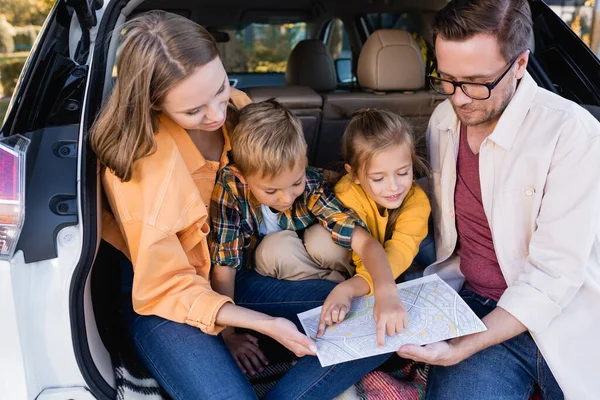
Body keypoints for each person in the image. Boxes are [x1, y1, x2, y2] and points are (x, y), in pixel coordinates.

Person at [89, 11, 371, 400]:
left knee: (371, 317)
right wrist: (253, 327)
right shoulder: (141, 164)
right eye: (193, 111)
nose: (219, 114)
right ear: (153, 103)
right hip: (166, 301)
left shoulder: (238, 107)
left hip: (236, 274)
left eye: (220, 88)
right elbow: (166, 288)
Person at [396, 1, 600, 399]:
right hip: (474, 305)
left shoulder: (573, 134)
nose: (458, 99)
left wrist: (462, 347)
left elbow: (553, 277)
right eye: (447, 79)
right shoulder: (442, 121)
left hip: (565, 317)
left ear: (521, 63)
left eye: (475, 82)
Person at [210, 99, 405, 382]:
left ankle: (350, 289)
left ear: (304, 156)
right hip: (279, 270)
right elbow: (224, 266)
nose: (287, 198)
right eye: (271, 190)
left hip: (328, 262)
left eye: (295, 183)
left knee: (322, 238)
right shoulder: (229, 187)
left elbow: (364, 242)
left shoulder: (312, 183)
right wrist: (229, 334)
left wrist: (387, 292)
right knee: (273, 249)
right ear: (241, 176)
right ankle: (335, 297)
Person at [318, 109, 431, 337]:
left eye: (403, 172)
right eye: (378, 178)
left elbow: (400, 252)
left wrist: (352, 288)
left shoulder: (417, 201)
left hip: (389, 266)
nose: (393, 187)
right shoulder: (346, 193)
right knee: (318, 242)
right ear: (355, 175)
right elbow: (364, 251)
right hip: (352, 262)